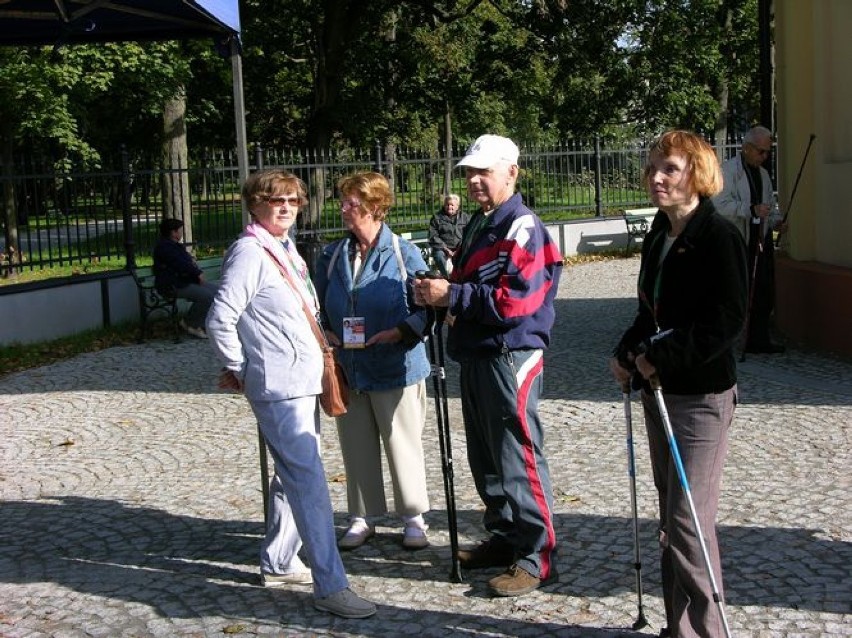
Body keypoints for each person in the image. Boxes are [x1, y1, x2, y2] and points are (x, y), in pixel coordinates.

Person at [206, 169, 376, 620]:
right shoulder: (249, 252)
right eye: (275, 200)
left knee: (291, 473)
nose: (285, 208)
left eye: (293, 201)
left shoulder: (282, 248)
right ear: (255, 204)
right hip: (279, 384)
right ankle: (330, 584)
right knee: (309, 481)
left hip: (300, 378)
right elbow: (220, 318)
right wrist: (241, 368)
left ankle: (280, 560)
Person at [609, 130, 748, 638]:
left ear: (697, 172)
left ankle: (707, 631)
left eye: (668, 167)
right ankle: (678, 627)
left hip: (702, 398)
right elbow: (651, 311)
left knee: (689, 519)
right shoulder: (659, 234)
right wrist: (628, 352)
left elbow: (727, 322)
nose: (656, 177)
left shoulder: (719, 237)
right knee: (672, 518)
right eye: (652, 168)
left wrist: (658, 356)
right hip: (659, 393)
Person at [414, 134, 564, 597]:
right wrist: (435, 296)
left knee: (517, 454)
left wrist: (452, 295)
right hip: (479, 352)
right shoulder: (482, 225)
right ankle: (504, 537)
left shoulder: (523, 226)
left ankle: (537, 555)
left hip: (510, 353)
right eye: (469, 173)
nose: (475, 181)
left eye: (485, 172)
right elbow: (463, 282)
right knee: (486, 456)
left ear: (512, 172)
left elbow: (516, 302)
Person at [313, 171, 433, 552]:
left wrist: (400, 332)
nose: (344, 209)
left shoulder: (404, 253)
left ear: (375, 207)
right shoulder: (331, 256)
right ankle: (361, 517)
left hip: (395, 365)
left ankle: (413, 518)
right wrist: (326, 332)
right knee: (355, 444)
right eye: (343, 202)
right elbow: (315, 306)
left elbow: (428, 308)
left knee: (403, 442)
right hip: (350, 367)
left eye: (353, 203)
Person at [713, 125, 786, 353]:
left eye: (768, 152)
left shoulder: (763, 175)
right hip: (737, 240)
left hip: (760, 240)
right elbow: (719, 205)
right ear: (746, 148)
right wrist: (750, 209)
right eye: (761, 151)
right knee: (736, 292)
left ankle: (759, 339)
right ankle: (728, 338)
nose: (765, 157)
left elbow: (769, 207)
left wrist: (776, 221)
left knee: (764, 291)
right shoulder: (728, 171)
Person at [152, 218, 218, 339]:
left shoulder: (175, 246)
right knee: (208, 296)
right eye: (180, 230)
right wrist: (197, 273)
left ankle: (207, 323)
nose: (182, 233)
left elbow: (187, 262)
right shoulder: (164, 247)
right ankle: (191, 323)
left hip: (185, 281)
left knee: (219, 292)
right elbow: (181, 264)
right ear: (173, 232)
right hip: (173, 285)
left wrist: (194, 269)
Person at [427, 193, 470, 277]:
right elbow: (433, 236)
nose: (449, 207)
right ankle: (447, 278)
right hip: (442, 248)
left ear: (457, 206)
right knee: (438, 255)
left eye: (452, 205)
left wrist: (459, 249)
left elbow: (469, 234)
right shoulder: (437, 218)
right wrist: (446, 249)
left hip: (460, 248)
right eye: (447, 204)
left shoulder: (465, 218)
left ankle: (462, 277)